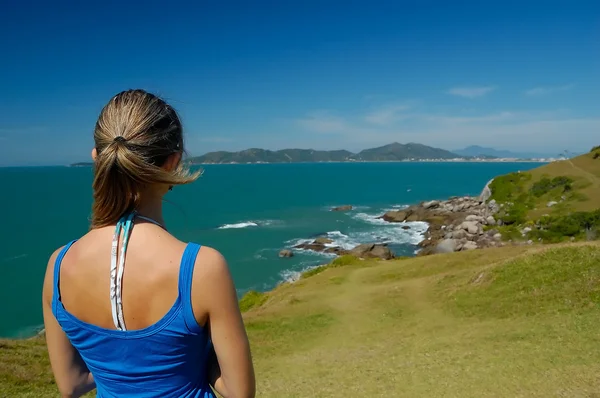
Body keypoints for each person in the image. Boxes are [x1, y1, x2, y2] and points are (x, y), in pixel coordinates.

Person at [42, 89, 256, 398]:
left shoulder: (57, 266)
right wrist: (191, 356)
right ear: (173, 161)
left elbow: (71, 385)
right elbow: (238, 392)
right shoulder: (202, 268)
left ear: (97, 158)